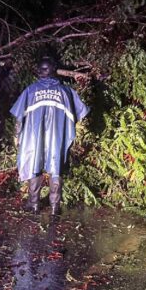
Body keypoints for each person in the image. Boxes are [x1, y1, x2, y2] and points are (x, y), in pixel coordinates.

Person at [10, 56, 89, 215]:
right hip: (58, 137)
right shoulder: (66, 91)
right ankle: (54, 207)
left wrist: (16, 135)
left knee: (34, 166)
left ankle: (34, 204)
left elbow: (19, 117)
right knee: (56, 168)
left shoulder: (30, 90)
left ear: (39, 72)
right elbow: (81, 113)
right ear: (54, 71)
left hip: (34, 138)